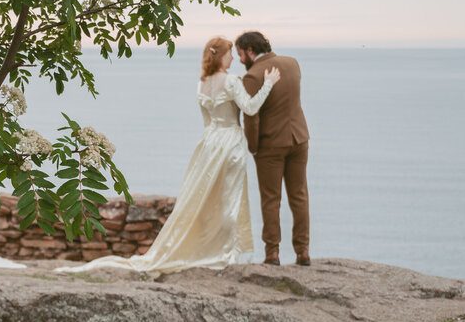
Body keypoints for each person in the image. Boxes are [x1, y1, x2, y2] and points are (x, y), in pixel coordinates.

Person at [57, 36, 279, 274]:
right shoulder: (232, 81)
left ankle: (209, 247)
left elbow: (208, 121)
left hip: (209, 142)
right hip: (230, 141)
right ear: (221, 56)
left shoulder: (201, 83)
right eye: (229, 53)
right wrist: (268, 83)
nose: (232, 57)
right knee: (227, 199)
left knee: (204, 197)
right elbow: (250, 108)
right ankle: (223, 252)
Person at [236, 31, 310, 266]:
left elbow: (252, 117)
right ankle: (303, 251)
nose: (239, 60)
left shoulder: (252, 76)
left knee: (271, 199)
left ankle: (272, 252)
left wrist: (253, 147)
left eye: (240, 54)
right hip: (299, 138)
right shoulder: (292, 64)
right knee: (299, 196)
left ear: (250, 51)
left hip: (270, 144)